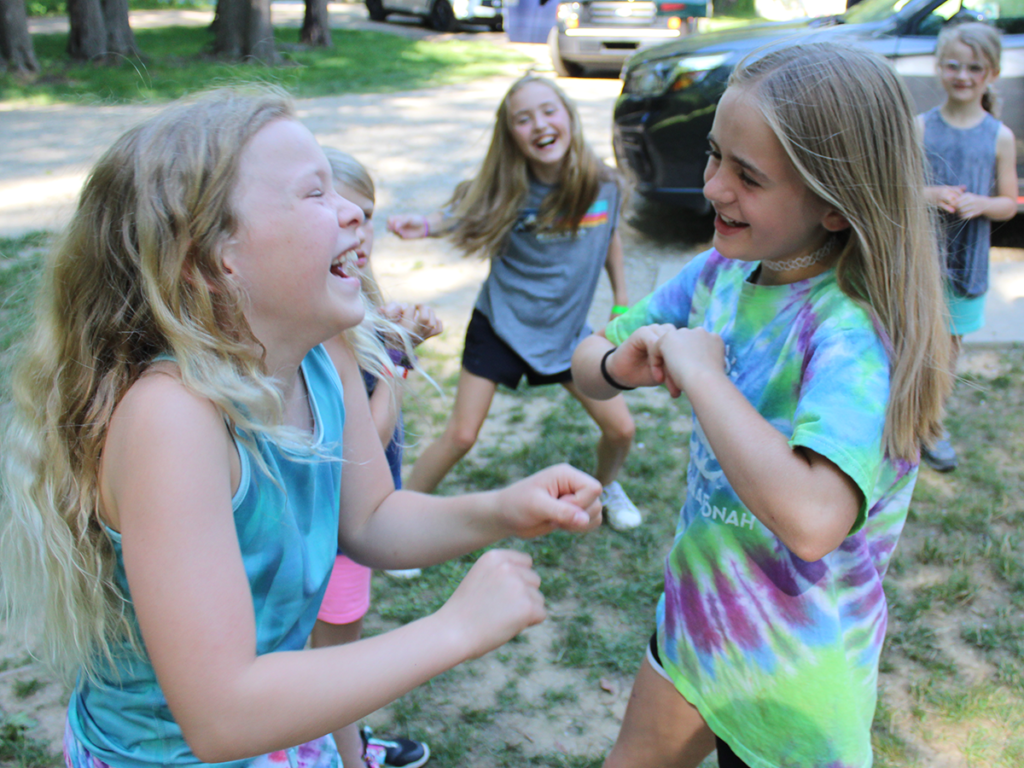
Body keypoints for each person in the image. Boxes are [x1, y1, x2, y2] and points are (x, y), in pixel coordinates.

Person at [0, 88, 602, 768]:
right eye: (315, 194)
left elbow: (371, 520)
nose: (353, 211)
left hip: (284, 726)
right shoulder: (173, 419)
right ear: (212, 258)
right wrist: (454, 629)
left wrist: (500, 509)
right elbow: (222, 714)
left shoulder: (323, 356)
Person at [571, 44, 952, 768]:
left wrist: (704, 375)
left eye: (747, 175)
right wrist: (624, 361)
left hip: (797, 684)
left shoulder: (850, 333)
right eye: (715, 155)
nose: (712, 185)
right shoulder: (722, 271)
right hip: (696, 626)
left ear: (837, 204)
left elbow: (813, 522)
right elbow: (585, 364)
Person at [386, 75, 641, 531]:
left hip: (564, 333)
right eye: (523, 119)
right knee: (461, 435)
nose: (539, 124)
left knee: (622, 429)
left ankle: (602, 488)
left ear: (568, 115)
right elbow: (466, 213)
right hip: (501, 325)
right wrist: (423, 225)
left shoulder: (603, 185)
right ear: (512, 135)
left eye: (547, 111)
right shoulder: (509, 189)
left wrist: (621, 301)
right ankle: (393, 515)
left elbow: (611, 237)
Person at [311, 148, 442, 768]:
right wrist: (399, 360)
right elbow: (365, 433)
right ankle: (348, 756)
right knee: (337, 665)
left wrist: (386, 337)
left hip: (342, 523)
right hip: (342, 526)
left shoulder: (345, 299)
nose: (358, 232)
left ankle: (345, 746)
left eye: (365, 216)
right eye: (341, 216)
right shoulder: (322, 320)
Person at [918, 21, 1018, 472]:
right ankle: (903, 420)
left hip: (966, 267)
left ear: (991, 73)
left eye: (974, 67)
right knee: (913, 345)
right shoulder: (920, 127)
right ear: (939, 67)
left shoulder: (998, 136)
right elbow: (899, 189)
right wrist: (931, 195)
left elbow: (1008, 204)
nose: (962, 76)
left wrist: (982, 203)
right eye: (953, 65)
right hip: (921, 263)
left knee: (947, 353)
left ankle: (932, 427)